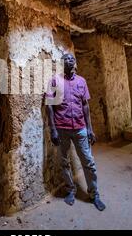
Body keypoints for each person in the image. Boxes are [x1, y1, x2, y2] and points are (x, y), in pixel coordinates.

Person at [45, 53, 106, 211]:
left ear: (75, 63)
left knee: (88, 161)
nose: (69, 61)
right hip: (62, 128)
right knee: (64, 162)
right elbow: (49, 106)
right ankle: (70, 190)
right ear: (62, 64)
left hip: (80, 128)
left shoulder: (81, 81)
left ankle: (94, 194)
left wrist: (90, 129)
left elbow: (85, 105)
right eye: (66, 59)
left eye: (72, 59)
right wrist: (53, 130)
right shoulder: (54, 81)